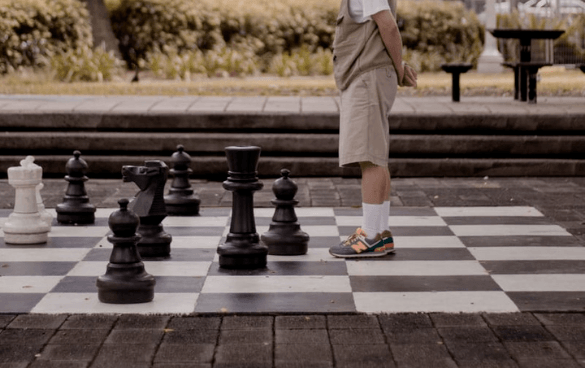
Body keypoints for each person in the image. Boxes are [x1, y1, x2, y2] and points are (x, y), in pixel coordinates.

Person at [328, 0, 417, 258]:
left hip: (367, 77)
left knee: (369, 156)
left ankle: (370, 235)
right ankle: (381, 232)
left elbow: (388, 27)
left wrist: (399, 67)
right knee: (376, 155)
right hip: (369, 75)